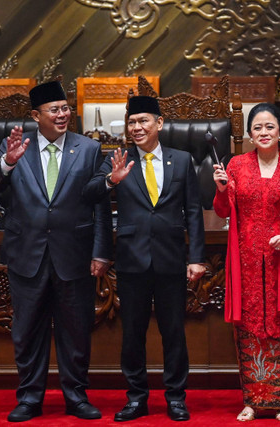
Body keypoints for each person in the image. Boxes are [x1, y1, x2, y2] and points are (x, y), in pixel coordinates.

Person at [0, 81, 112, 422]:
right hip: (27, 254)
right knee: (27, 332)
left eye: (66, 108)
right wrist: (7, 163)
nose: (63, 114)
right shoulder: (14, 146)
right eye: (54, 110)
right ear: (35, 116)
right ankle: (29, 398)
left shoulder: (88, 149)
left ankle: (76, 397)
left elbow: (98, 204)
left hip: (75, 254)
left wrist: (101, 252)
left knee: (76, 331)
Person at [82, 96, 206, 422]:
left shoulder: (181, 160)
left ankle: (176, 398)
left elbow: (193, 210)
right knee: (132, 334)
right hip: (132, 260)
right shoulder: (117, 159)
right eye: (131, 122)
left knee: (174, 333)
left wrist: (196, 257)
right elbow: (88, 192)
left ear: (159, 123)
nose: (136, 128)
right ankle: (136, 398)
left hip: (171, 260)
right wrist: (112, 180)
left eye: (143, 121)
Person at [212, 102, 280, 421]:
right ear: (249, 134)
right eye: (256, 128)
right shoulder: (235, 166)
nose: (263, 132)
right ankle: (252, 400)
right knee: (249, 328)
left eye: (269, 126)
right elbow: (222, 211)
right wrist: (219, 189)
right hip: (245, 261)